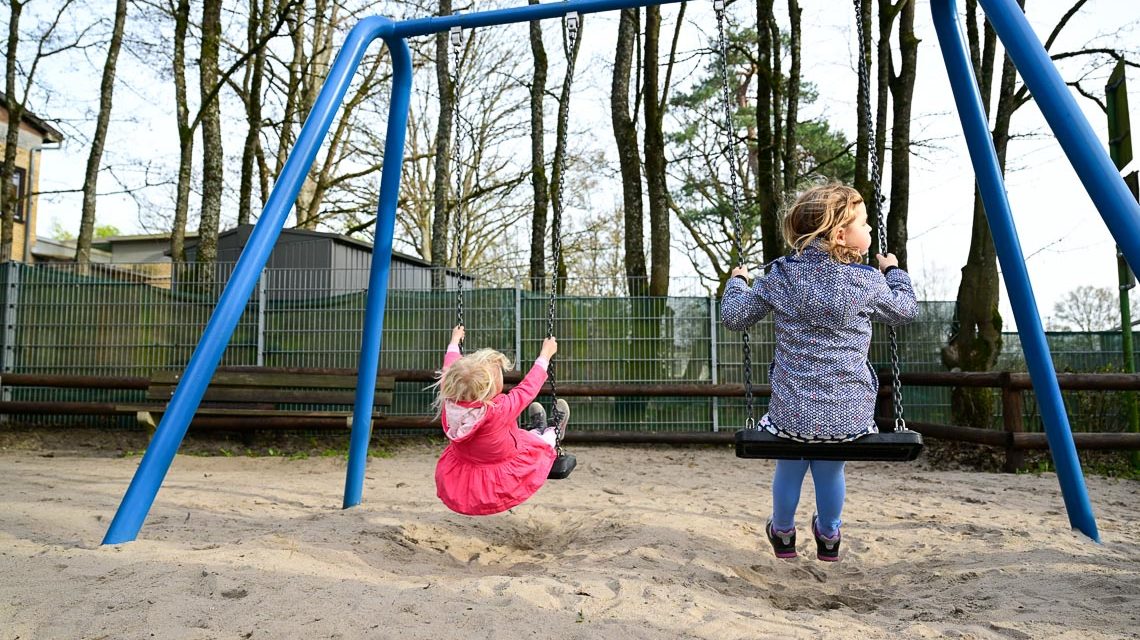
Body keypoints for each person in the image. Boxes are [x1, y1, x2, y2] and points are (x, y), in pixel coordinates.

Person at [721, 183, 918, 561]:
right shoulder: (867, 281)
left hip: (791, 411)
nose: (871, 230)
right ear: (840, 234)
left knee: (790, 466)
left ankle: (781, 531)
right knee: (830, 470)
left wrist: (736, 283)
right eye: (865, 222)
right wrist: (893, 273)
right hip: (848, 415)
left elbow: (734, 316)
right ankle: (828, 534)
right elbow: (906, 310)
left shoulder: (781, 275)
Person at [433, 325, 569, 516]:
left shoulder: (450, 400)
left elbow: (450, 368)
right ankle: (554, 431)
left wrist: (454, 341)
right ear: (489, 389)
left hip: (470, 464)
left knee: (525, 437)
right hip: (502, 467)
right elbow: (527, 389)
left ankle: (536, 429)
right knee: (543, 445)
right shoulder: (498, 409)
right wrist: (545, 355)